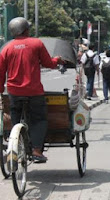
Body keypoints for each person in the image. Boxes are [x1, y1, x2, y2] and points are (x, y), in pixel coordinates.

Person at [0, 17, 64, 162]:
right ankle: (36, 151)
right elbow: (49, 63)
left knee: (14, 119)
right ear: (25, 30)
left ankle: (14, 148)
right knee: (39, 119)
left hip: (14, 92)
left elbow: (0, 72)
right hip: (34, 91)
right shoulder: (36, 43)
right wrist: (57, 60)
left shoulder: (6, 49)